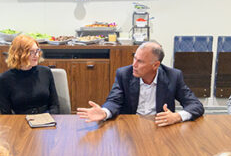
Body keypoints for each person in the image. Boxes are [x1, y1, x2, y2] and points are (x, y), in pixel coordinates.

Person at [77, 40, 205, 127]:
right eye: (134, 58)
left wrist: (177, 116)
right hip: (130, 129)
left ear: (155, 65)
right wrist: (105, 112)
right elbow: (114, 101)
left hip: (160, 128)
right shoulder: (124, 74)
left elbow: (195, 105)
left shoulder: (173, 76)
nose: (134, 65)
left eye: (141, 61)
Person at [0, 35, 59, 115]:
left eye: (37, 50)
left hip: (46, 118)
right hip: (21, 120)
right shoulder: (4, 79)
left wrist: (52, 120)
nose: (36, 55)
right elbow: (5, 113)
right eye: (31, 52)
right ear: (18, 54)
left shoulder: (46, 72)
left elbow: (54, 104)